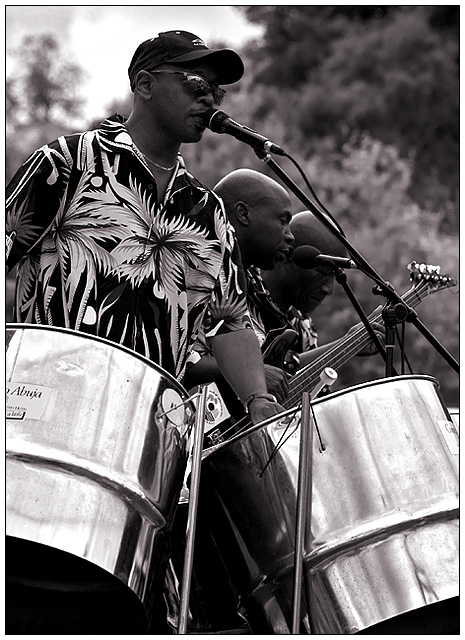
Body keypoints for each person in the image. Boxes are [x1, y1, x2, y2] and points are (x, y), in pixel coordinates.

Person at [5, 31, 284, 634]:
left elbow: (230, 321)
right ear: (144, 82)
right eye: (193, 80)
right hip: (45, 424)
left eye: (216, 86)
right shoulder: (72, 162)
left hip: (140, 450)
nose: (208, 94)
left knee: (112, 615)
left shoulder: (206, 212)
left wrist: (260, 407)